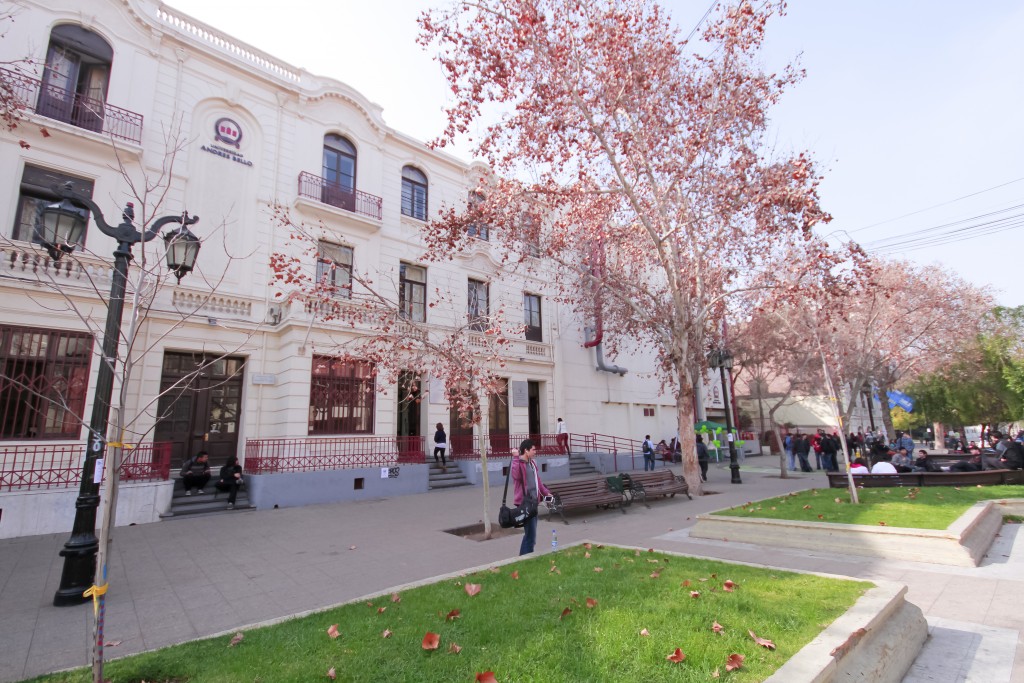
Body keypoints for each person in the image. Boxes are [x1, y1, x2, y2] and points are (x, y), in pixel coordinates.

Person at [511, 439, 551, 555]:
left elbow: (538, 481)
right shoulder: (519, 463)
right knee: (531, 536)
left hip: (533, 503)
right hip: (525, 504)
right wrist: (515, 458)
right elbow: (516, 475)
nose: (535, 452)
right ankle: (526, 558)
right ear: (526, 450)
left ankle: (524, 557)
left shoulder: (532, 463)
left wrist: (546, 493)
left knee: (530, 535)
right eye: (533, 450)